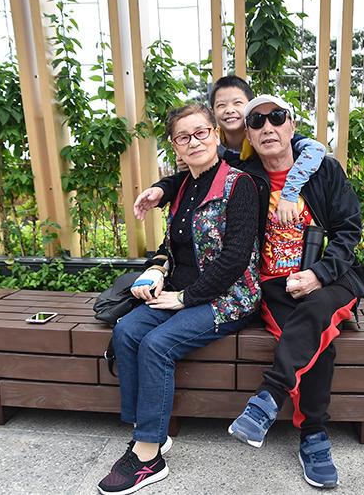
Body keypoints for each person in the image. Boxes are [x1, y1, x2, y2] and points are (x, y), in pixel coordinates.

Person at [97, 103, 261, 495]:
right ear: (175, 146)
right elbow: (172, 244)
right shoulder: (183, 186)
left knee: (157, 344)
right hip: (179, 291)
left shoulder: (240, 185)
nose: (194, 142)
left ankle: (147, 457)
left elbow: (235, 259)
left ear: (215, 134)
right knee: (127, 331)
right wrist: (155, 270)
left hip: (228, 297)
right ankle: (146, 433)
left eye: (201, 132)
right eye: (184, 137)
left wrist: (184, 298)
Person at [227, 95, 364, 489]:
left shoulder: (324, 170)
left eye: (276, 117)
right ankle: (314, 437)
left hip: (333, 278)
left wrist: (319, 273)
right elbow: (195, 169)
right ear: (249, 134)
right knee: (318, 343)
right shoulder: (246, 178)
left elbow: (348, 229)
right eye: (257, 122)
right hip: (275, 285)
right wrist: (161, 189)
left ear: (291, 126)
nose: (268, 127)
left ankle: (270, 397)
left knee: (317, 309)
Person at [134, 75, 326, 225]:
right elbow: (189, 179)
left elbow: (316, 149)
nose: (229, 110)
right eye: (221, 105)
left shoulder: (268, 137)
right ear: (212, 113)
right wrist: (162, 188)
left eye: (237, 103)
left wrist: (289, 193)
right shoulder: (209, 146)